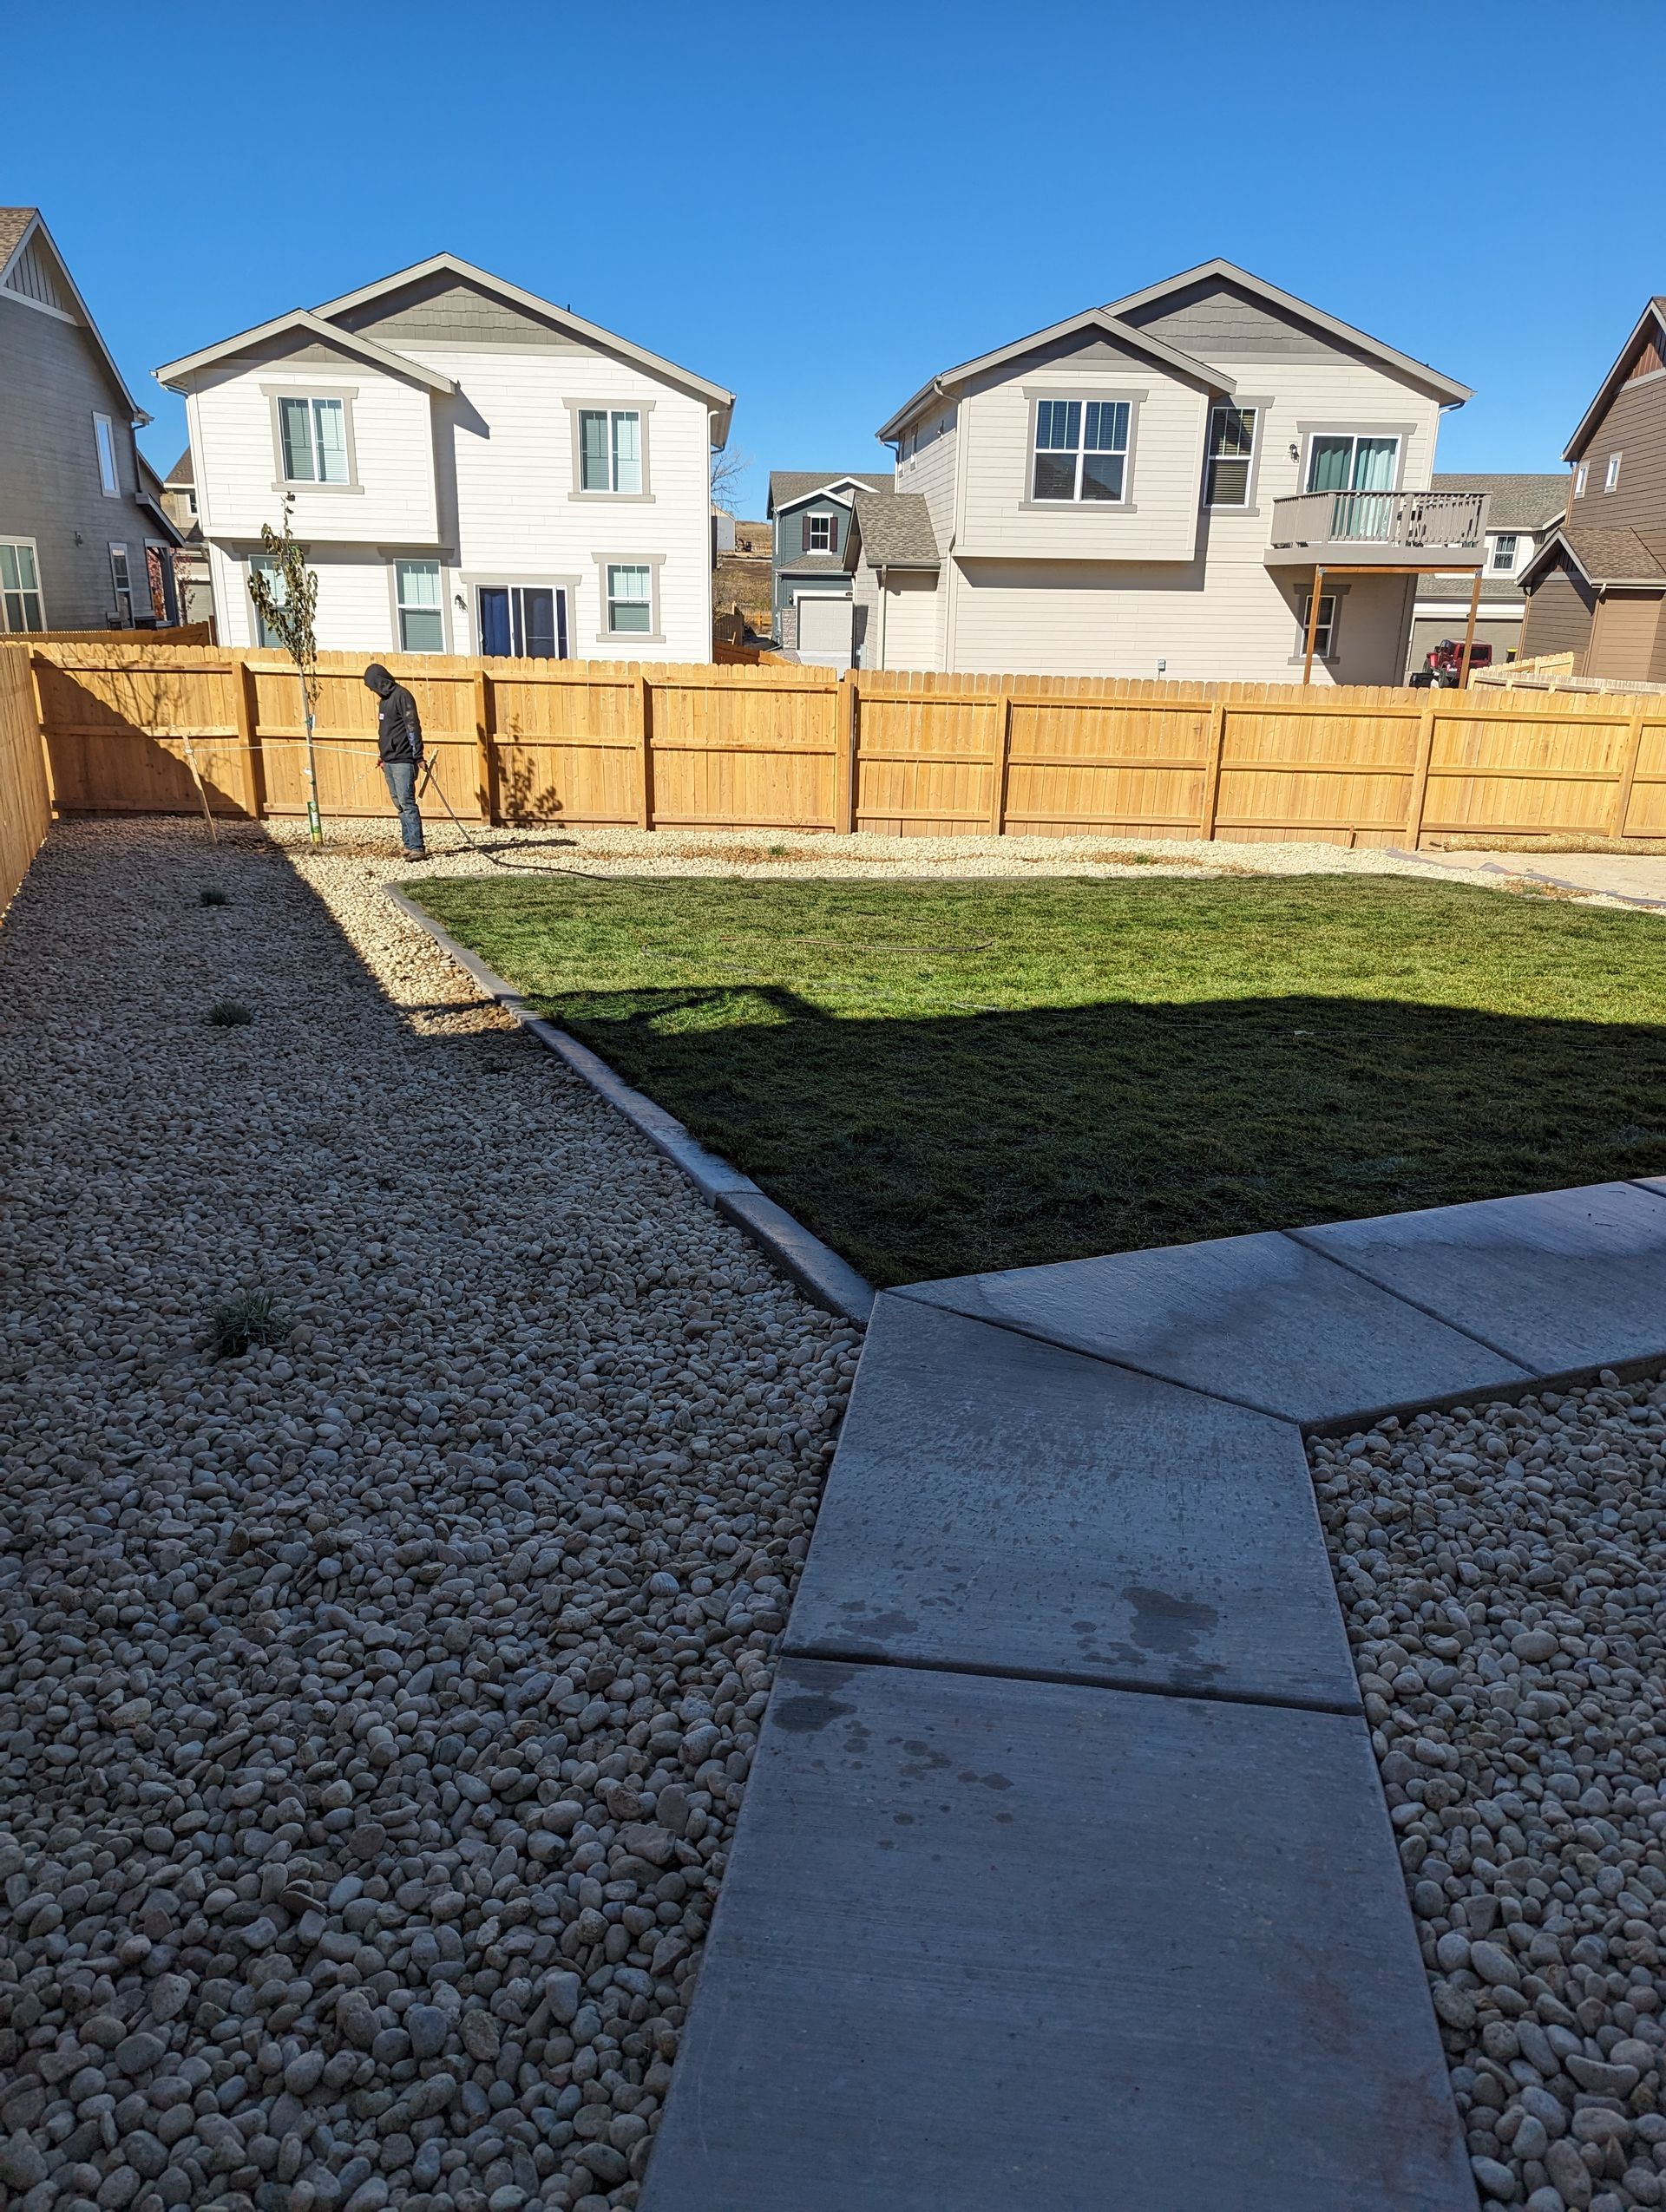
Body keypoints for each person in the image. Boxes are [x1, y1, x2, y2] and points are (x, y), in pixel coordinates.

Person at [364, 663, 426, 860]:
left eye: (373, 685)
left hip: (404, 760)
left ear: (380, 680)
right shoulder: (383, 701)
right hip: (389, 760)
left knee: (407, 803)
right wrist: (383, 756)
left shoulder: (402, 695)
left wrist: (418, 756)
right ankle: (408, 844)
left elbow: (412, 726)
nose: (373, 690)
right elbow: (386, 731)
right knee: (399, 805)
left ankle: (417, 847)